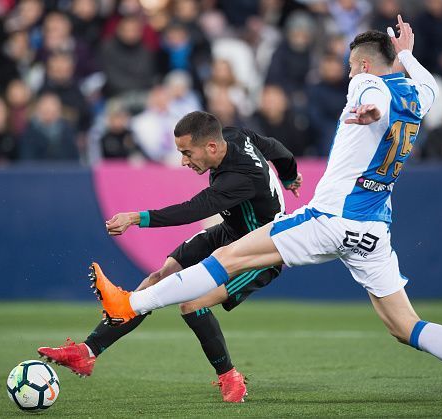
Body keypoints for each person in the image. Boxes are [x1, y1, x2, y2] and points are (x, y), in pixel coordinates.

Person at [92, 16, 442, 412]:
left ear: (360, 66)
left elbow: (371, 89)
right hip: (374, 230)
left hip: (330, 218)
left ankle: (130, 303)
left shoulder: (364, 84)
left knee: (227, 259)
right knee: (405, 325)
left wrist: (370, 106)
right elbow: (424, 80)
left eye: (350, 68)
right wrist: (408, 55)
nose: (348, 75)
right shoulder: (422, 95)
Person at [38, 111, 303, 403]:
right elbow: (277, 148)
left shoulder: (240, 179)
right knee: (156, 279)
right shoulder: (234, 136)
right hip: (230, 232)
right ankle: (87, 353)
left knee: (191, 303)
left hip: (260, 253)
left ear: (211, 147)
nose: (183, 161)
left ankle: (230, 377)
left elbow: (193, 210)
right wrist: (289, 175)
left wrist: (136, 217)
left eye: (187, 153)